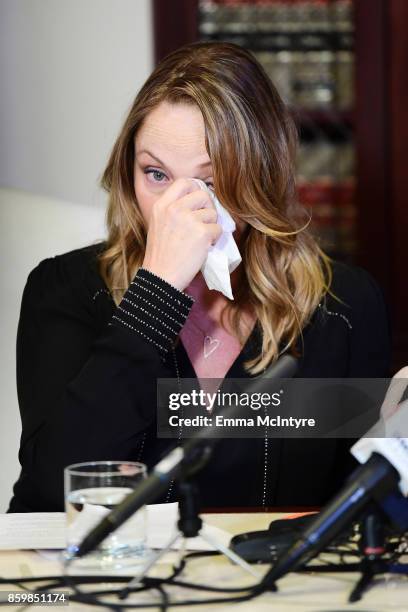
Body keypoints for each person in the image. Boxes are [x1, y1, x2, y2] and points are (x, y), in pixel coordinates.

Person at [8, 42, 390, 513]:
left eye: (210, 183)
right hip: (112, 580)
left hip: (273, 582)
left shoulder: (342, 305)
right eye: (157, 174)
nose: (181, 209)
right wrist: (156, 293)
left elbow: (362, 510)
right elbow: (49, 496)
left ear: (261, 179)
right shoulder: (65, 290)